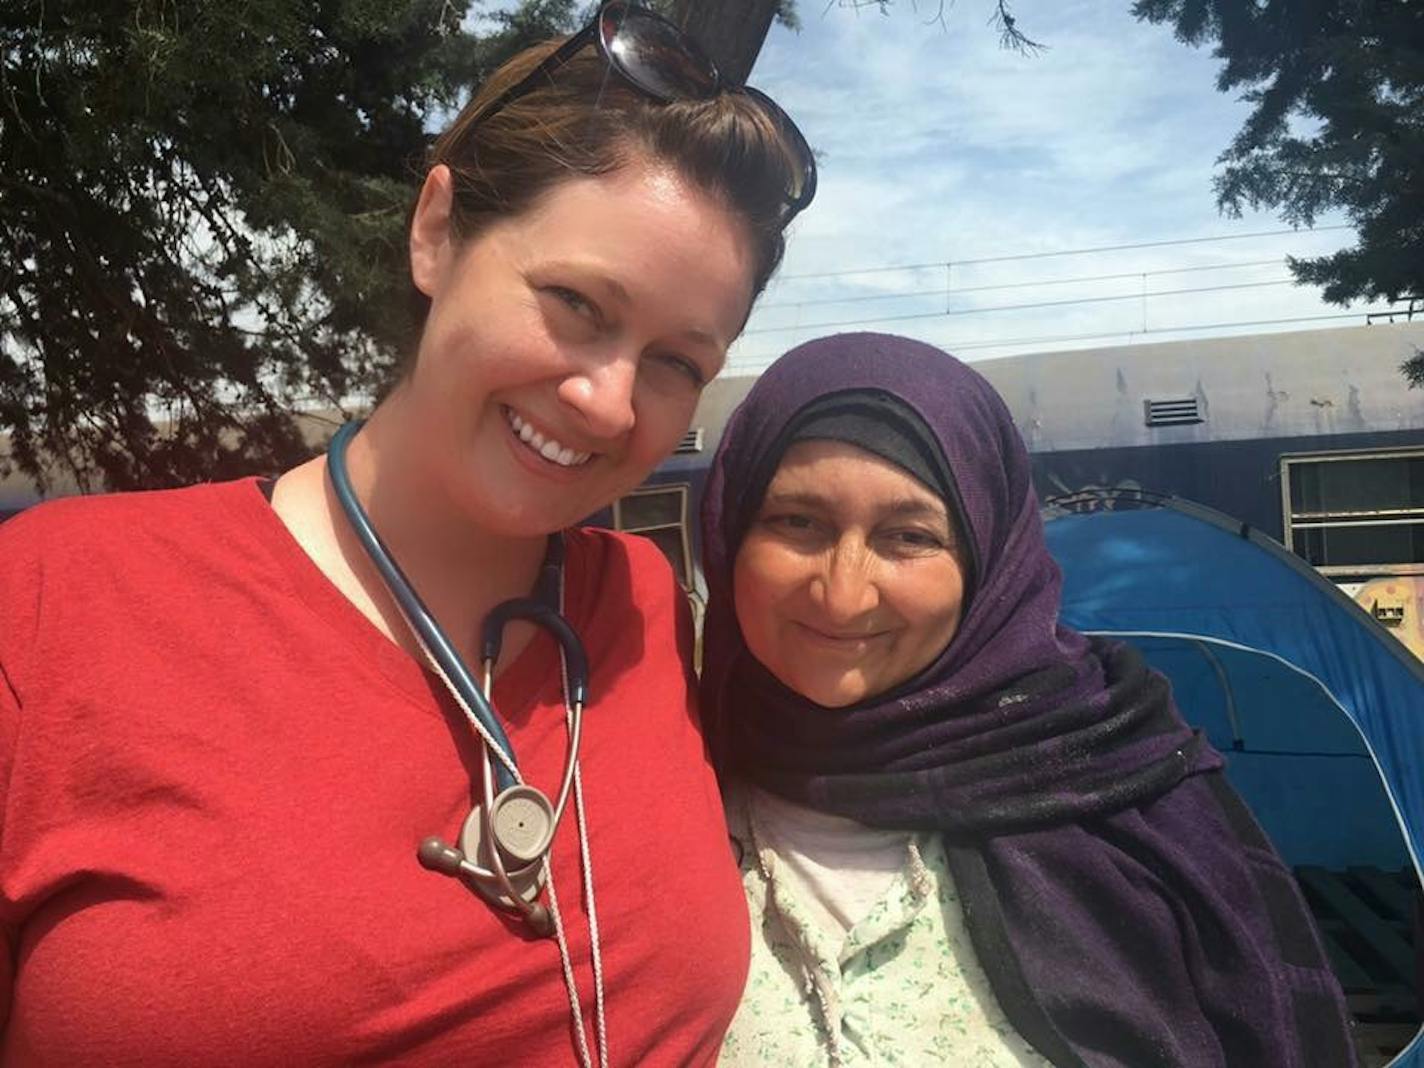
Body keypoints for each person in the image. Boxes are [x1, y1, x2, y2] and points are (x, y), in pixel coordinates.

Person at [0, 5, 816, 1065]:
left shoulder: (646, 609)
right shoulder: (57, 600)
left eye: (675, 363)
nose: (609, 403)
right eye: (574, 302)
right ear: (436, 232)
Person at [700, 332, 1356, 1067]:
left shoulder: (1130, 790)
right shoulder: (648, 781)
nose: (843, 593)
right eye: (798, 522)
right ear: (729, 532)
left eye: (908, 536)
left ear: (987, 562)